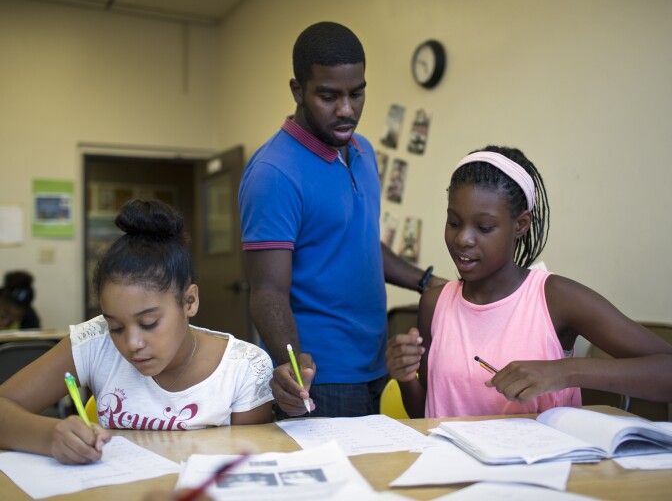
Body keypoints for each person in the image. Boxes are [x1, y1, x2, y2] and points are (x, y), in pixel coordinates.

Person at [238, 21, 445, 419]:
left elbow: (360, 242)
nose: (347, 109)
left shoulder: (362, 151)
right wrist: (296, 369)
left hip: (377, 364)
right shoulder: (273, 173)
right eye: (329, 96)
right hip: (323, 379)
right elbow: (267, 292)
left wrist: (426, 282)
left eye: (357, 93)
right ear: (298, 90)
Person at [386, 145, 672, 418]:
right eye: (454, 222)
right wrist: (406, 378)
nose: (463, 239)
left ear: (520, 225)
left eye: (484, 227)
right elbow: (428, 413)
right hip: (455, 467)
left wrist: (563, 372)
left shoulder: (555, 298)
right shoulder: (435, 304)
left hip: (544, 468)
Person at [0, 199, 274, 465]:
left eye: (149, 323)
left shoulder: (243, 367)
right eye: (116, 327)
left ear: (189, 302)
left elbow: (248, 464)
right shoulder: (95, 343)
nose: (132, 344)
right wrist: (50, 436)